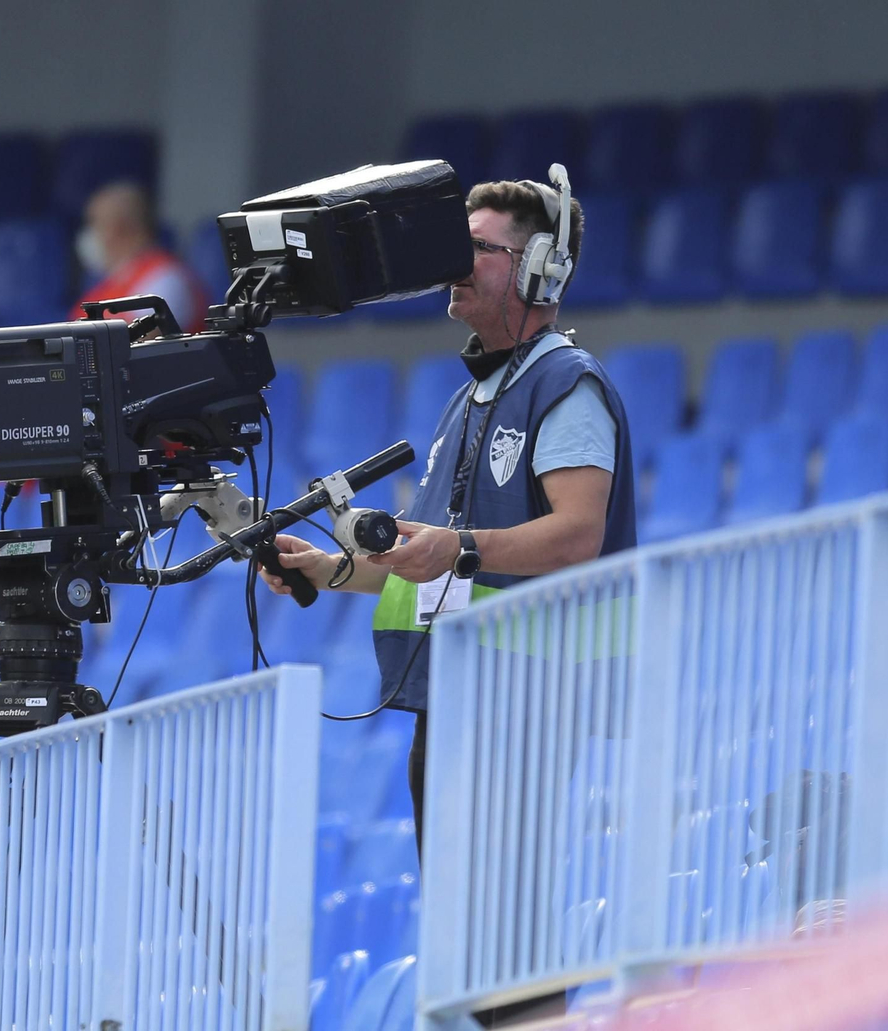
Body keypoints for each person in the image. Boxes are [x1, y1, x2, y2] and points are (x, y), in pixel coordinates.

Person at [259, 174, 638, 853]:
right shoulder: (468, 403)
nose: (452, 266)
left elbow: (578, 535)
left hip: (527, 694)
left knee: (499, 921)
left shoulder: (566, 384)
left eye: (476, 249)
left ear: (540, 272)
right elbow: (432, 560)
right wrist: (327, 566)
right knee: (457, 920)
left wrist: (457, 545)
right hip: (460, 688)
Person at [70, 180, 207, 333]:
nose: (90, 235)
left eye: (95, 223)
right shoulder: (110, 282)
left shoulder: (165, 279)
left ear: (121, 227)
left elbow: (143, 345)